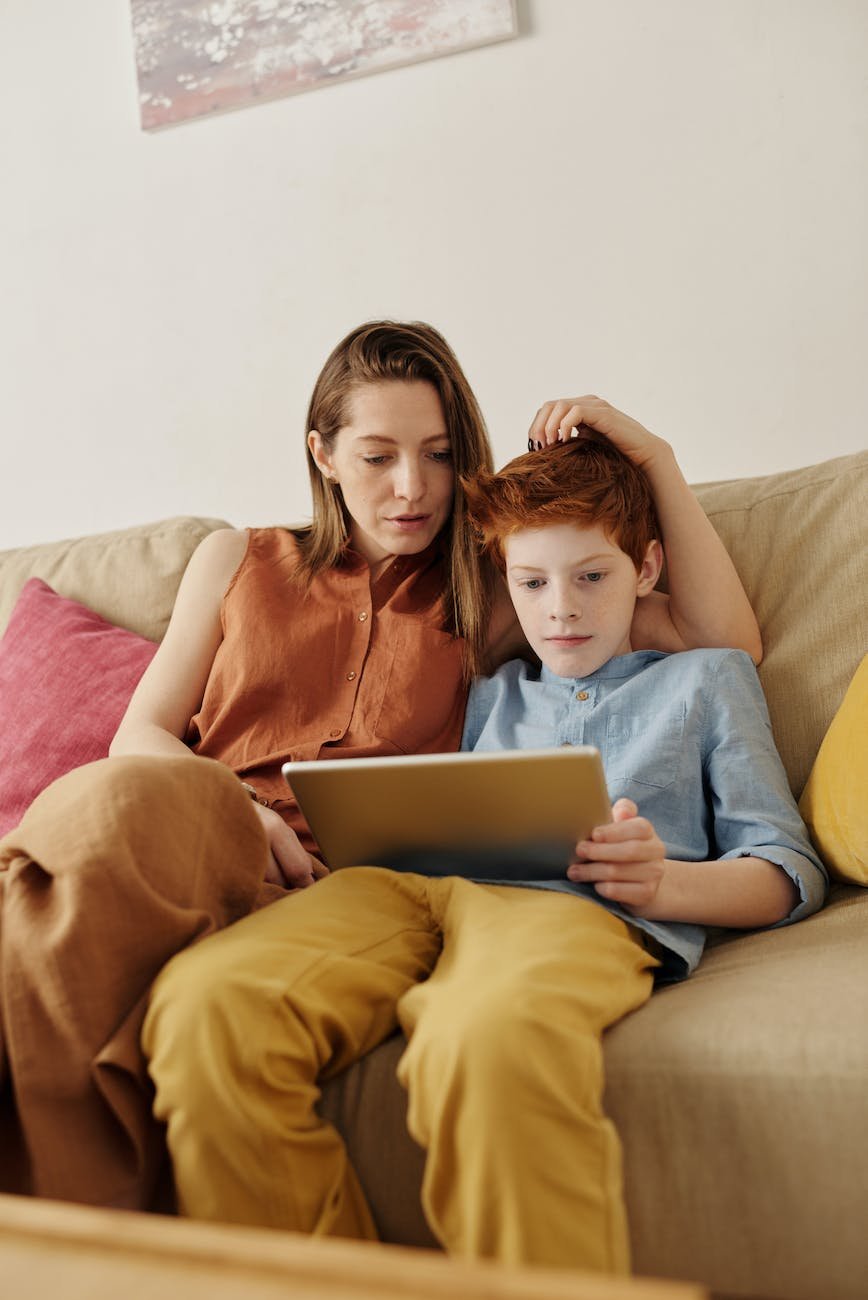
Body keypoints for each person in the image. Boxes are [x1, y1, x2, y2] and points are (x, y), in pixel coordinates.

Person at [0, 320, 760, 1212]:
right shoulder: (235, 559)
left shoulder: (496, 587)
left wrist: (656, 456)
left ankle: (64, 1239)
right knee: (107, 815)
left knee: (71, 935)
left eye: (439, 455)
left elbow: (719, 642)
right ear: (321, 454)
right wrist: (236, 811)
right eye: (377, 456)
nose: (412, 488)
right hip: (198, 823)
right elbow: (143, 735)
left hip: (338, 887)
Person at [141, 428, 826, 1272]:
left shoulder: (706, 677)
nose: (561, 610)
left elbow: (785, 870)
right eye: (532, 583)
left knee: (481, 1036)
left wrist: (665, 886)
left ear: (646, 570)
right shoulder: (492, 682)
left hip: (573, 904)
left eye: (592, 579)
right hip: (409, 886)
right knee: (203, 1004)